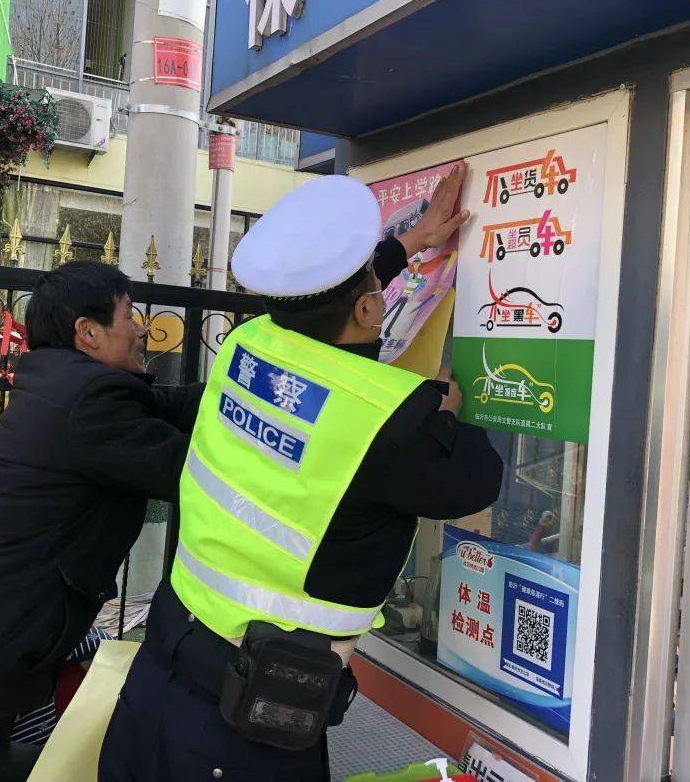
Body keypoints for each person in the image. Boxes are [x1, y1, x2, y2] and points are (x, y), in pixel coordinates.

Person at [99, 165, 504, 782]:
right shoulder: (391, 422)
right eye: (374, 277)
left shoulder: (249, 344)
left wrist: (411, 242)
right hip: (244, 726)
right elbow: (480, 477)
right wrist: (444, 408)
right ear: (370, 307)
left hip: (161, 670)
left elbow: (329, 305)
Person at [0, 261, 205, 782]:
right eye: (128, 314)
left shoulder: (62, 387)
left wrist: (247, 384)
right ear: (87, 333)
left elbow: (168, 404)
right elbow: (199, 475)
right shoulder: (88, 403)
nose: (141, 326)